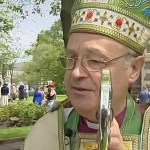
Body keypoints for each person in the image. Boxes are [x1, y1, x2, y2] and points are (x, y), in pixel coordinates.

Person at [23, 1, 150, 150]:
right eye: (71, 58)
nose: (76, 72)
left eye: (95, 61)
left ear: (134, 69)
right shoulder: (45, 132)